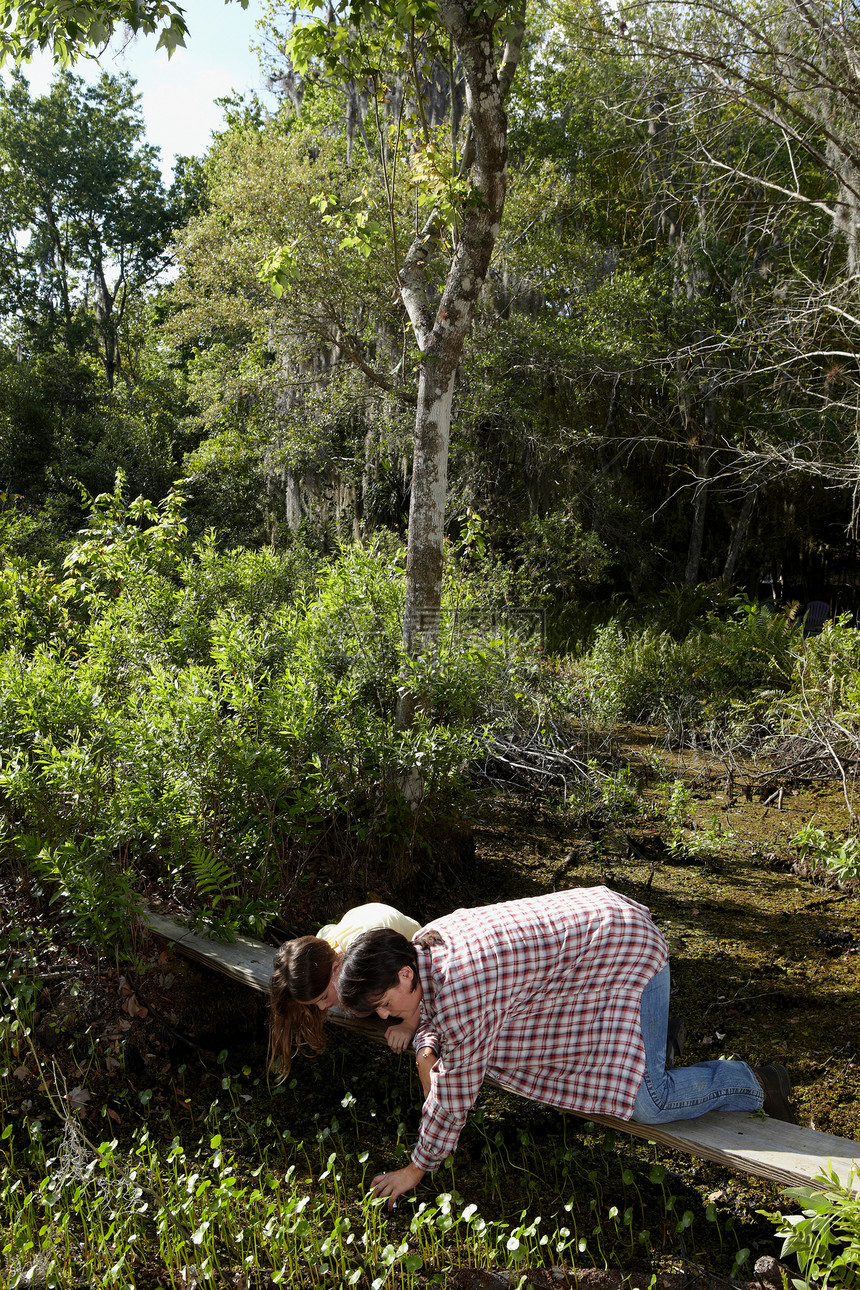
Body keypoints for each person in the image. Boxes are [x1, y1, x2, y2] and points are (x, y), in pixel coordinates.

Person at [337, 886, 797, 1207]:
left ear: (404, 974)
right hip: (585, 956)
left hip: (627, 949)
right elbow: (441, 1023)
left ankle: (758, 1083)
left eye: (382, 1005)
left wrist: (417, 1168)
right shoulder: (423, 944)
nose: (383, 1016)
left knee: (650, 1102)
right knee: (509, 1051)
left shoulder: (462, 986)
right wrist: (421, 1032)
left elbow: (453, 1097)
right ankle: (656, 1043)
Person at [268, 902, 435, 1093]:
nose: (323, 1007)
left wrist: (409, 1023)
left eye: (323, 997)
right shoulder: (324, 947)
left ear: (336, 968)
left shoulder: (369, 954)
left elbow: (414, 980)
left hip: (411, 958)